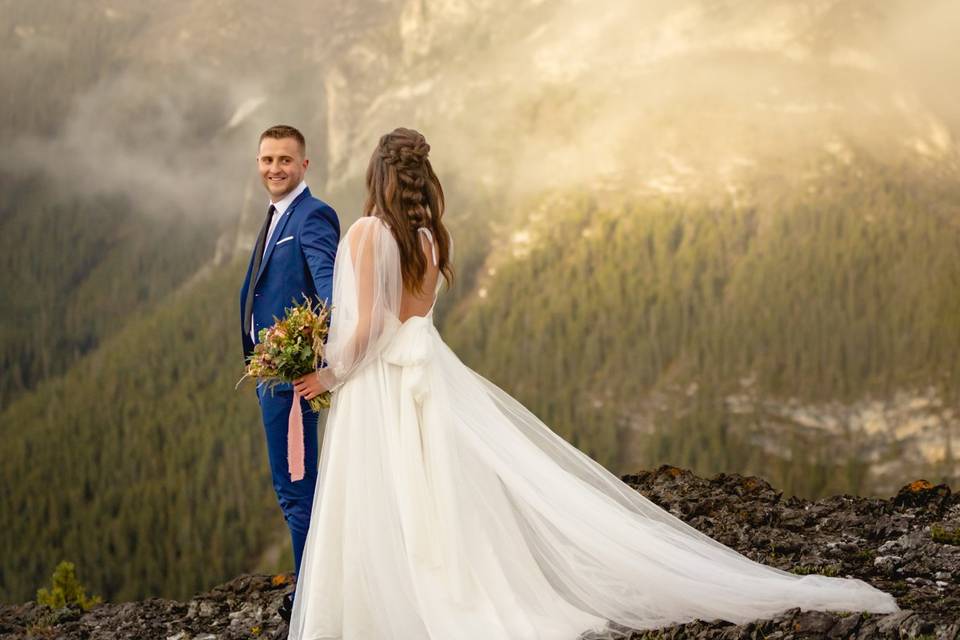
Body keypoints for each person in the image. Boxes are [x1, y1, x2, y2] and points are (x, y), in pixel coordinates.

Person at [287, 127, 898, 639]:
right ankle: (440, 589)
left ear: (377, 176)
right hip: (427, 370)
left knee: (390, 495)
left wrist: (329, 373)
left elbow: (368, 326)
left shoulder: (368, 233)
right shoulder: (426, 237)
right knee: (437, 495)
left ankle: (393, 607)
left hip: (386, 382)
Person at [238, 124, 340, 622]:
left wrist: (315, 359)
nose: (274, 168)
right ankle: (315, 589)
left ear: (305, 165)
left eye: (284, 160)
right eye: (266, 160)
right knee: (295, 488)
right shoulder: (278, 213)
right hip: (271, 376)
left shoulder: (313, 215)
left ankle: (310, 602)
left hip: (294, 380)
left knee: (297, 491)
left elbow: (331, 294)